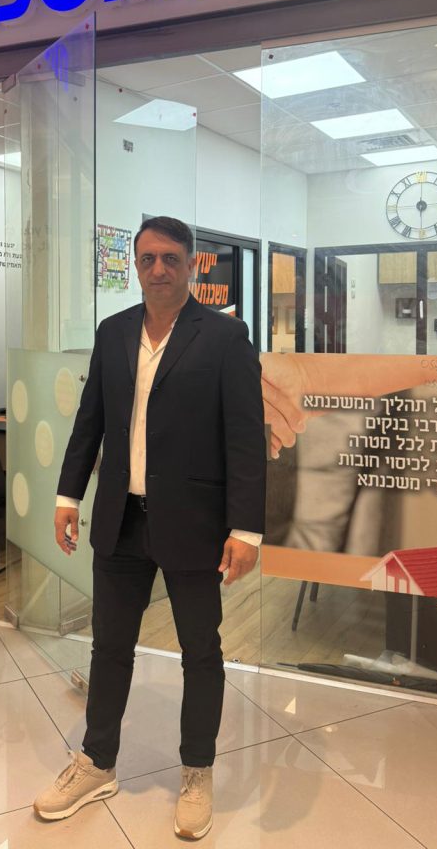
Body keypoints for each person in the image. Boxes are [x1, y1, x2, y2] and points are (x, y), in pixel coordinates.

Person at [33, 216, 266, 840]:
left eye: (169, 258)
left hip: (194, 522)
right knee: (109, 647)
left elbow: (246, 439)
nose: (158, 269)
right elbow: (90, 423)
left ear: (191, 264)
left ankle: (197, 771)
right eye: (147, 259)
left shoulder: (225, 337)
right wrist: (67, 495)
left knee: (200, 652)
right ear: (134, 266)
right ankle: (97, 762)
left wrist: (246, 530)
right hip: (120, 519)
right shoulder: (113, 334)